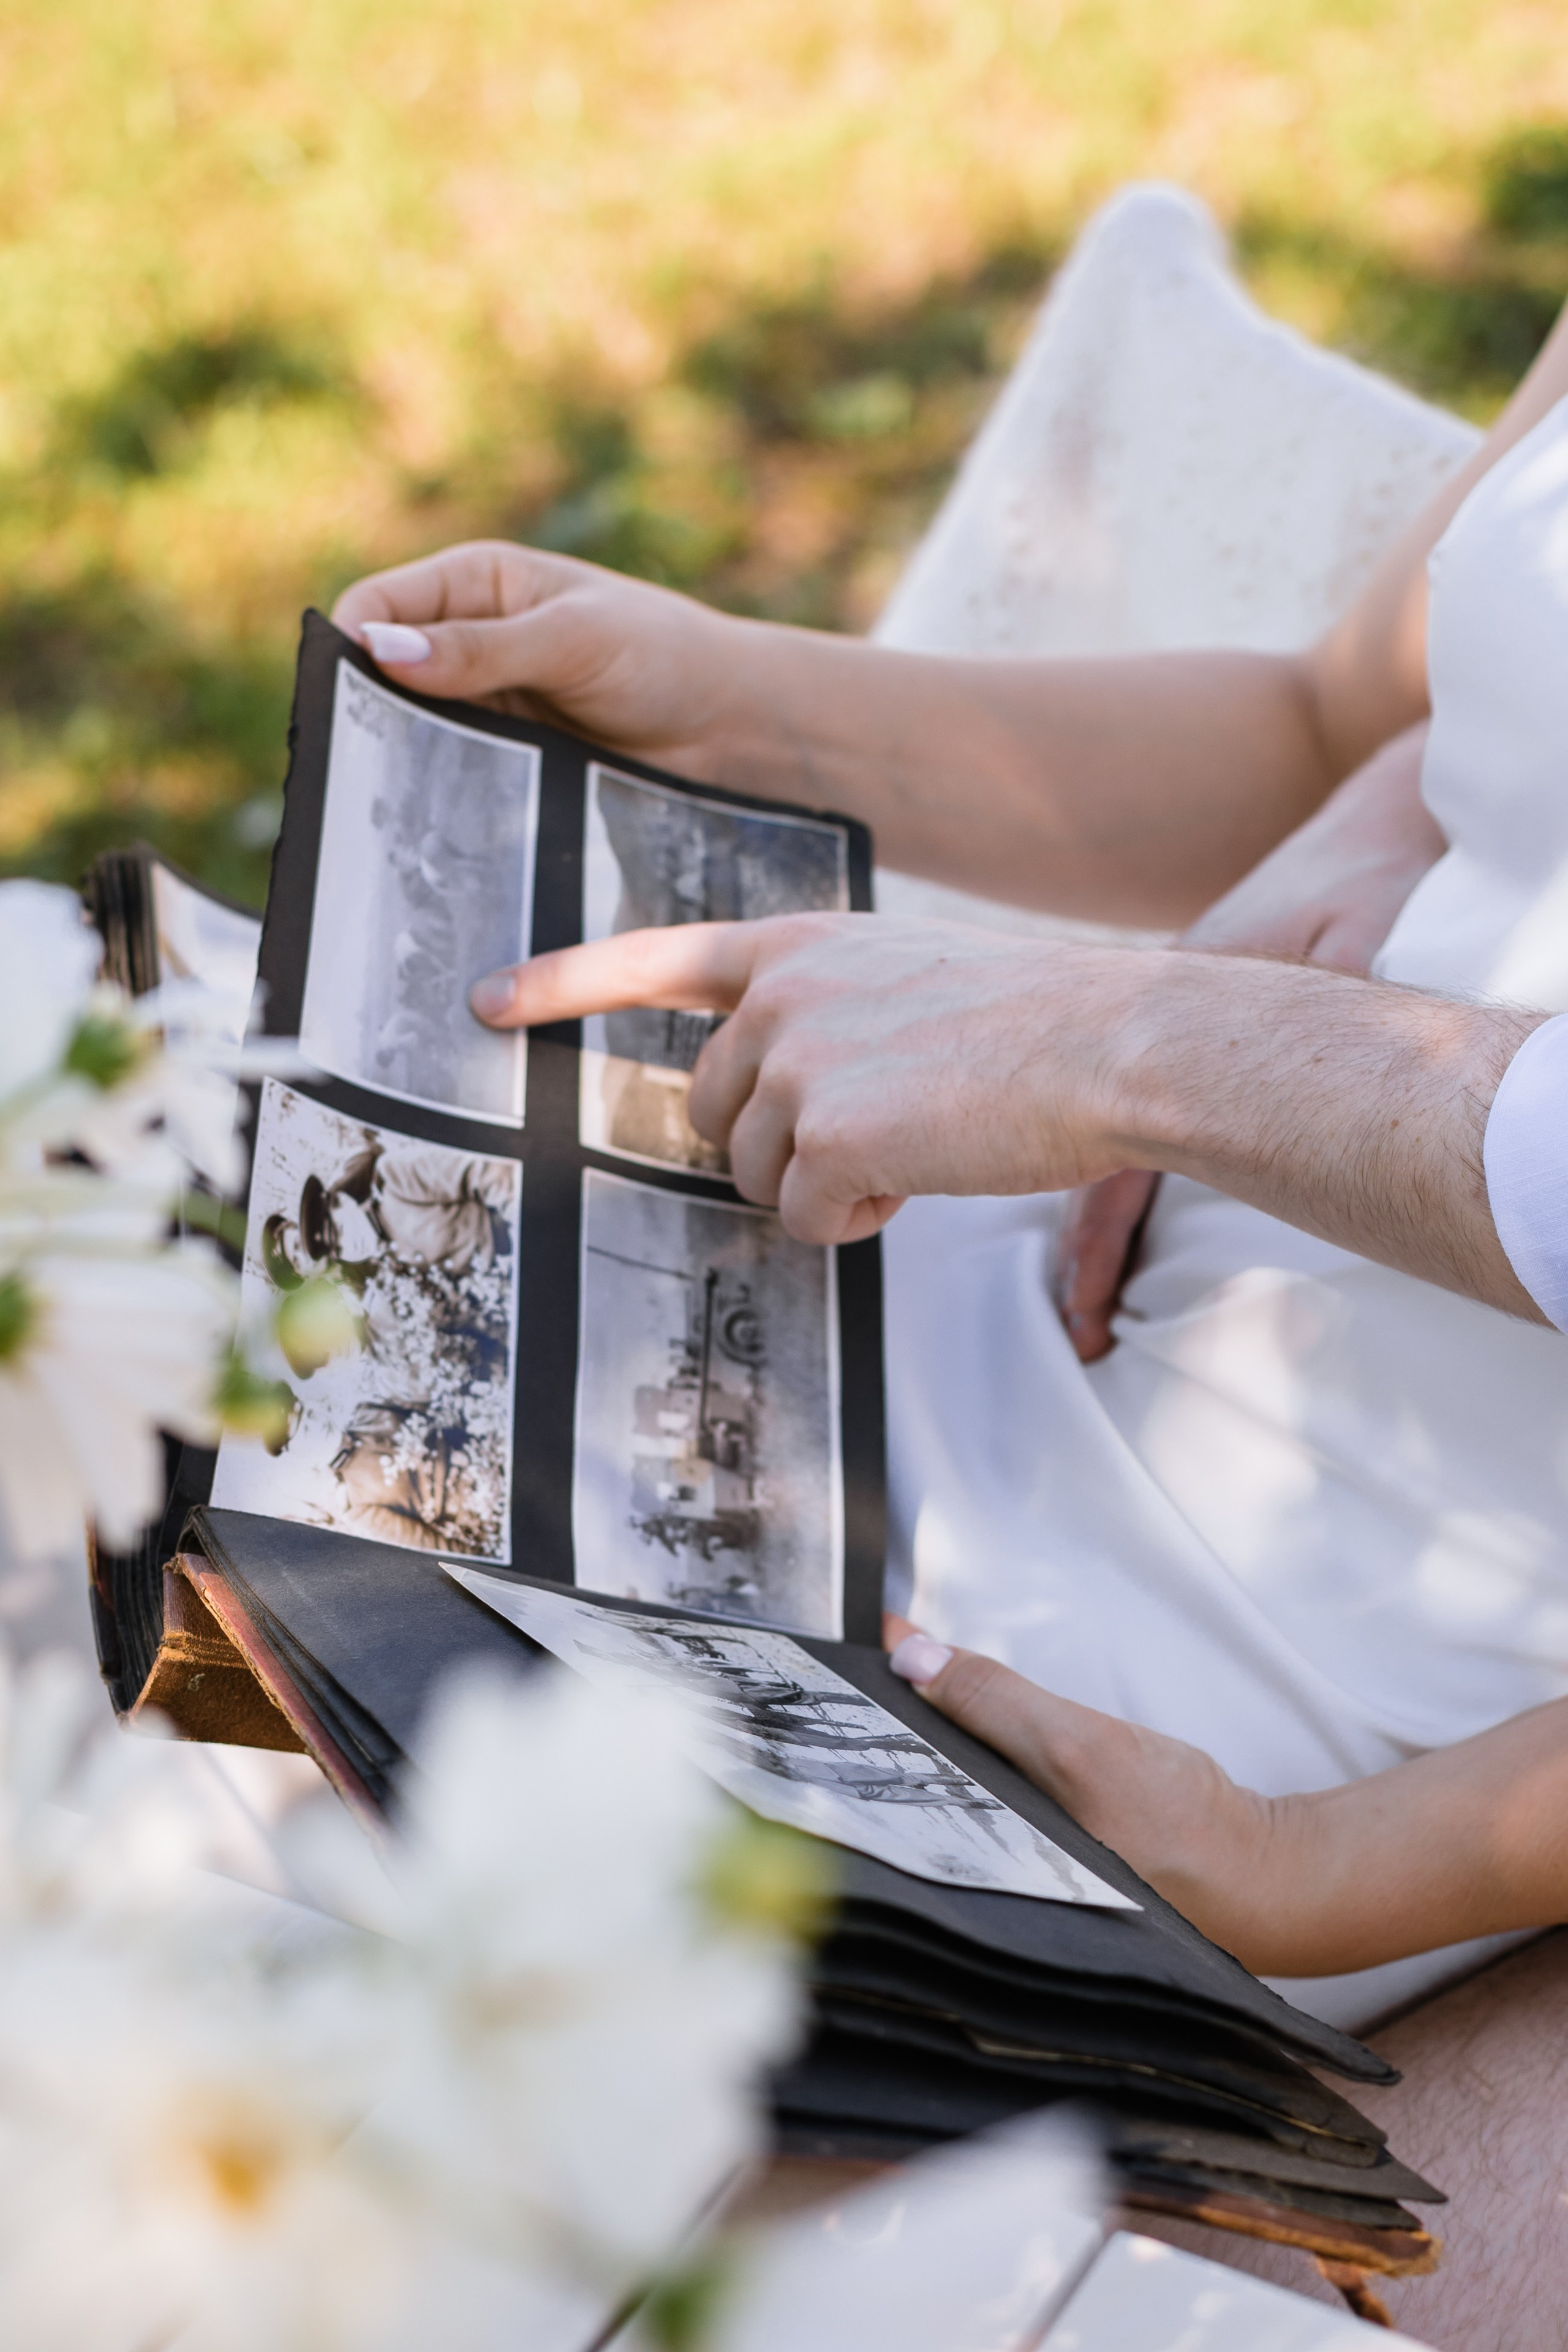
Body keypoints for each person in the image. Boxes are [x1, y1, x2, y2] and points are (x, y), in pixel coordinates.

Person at [334, 292, 1568, 2346]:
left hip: (1289, 1692)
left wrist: (1326, 1862)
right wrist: (736, 707)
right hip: (1033, 1310)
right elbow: (1320, 729)